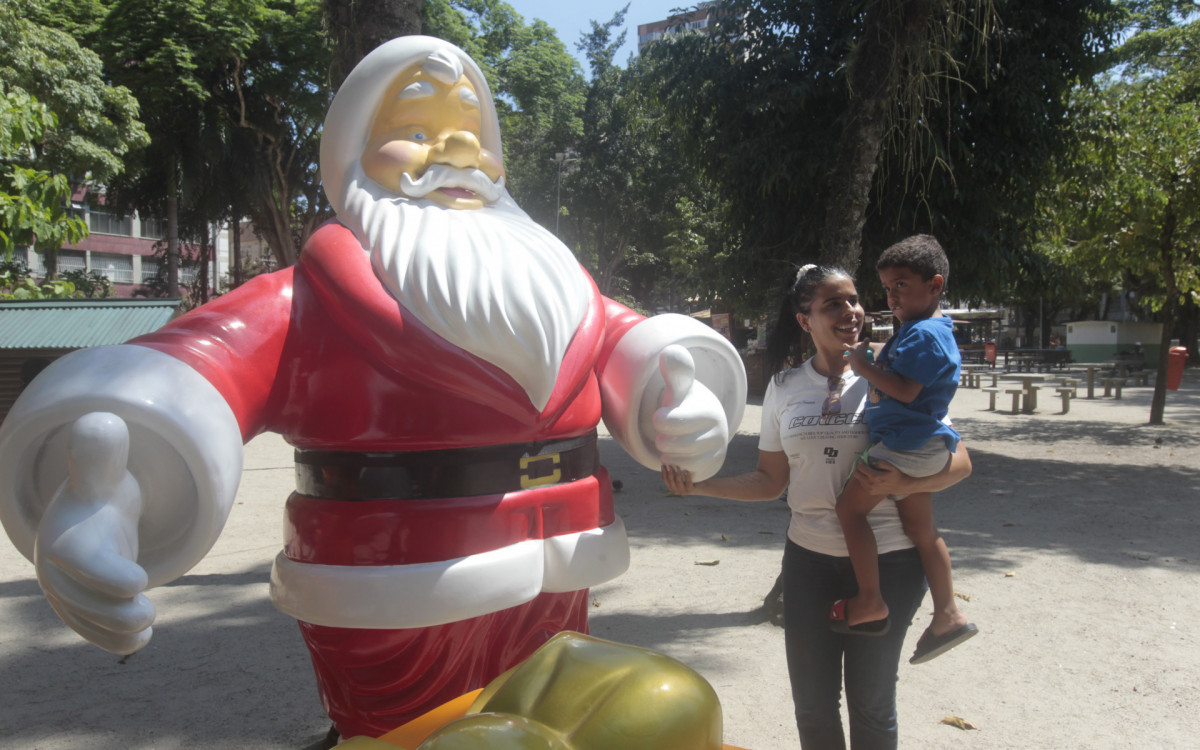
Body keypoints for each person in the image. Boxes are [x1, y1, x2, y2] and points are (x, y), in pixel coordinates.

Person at [0, 36, 747, 740]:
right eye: (416, 129)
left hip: (562, 575)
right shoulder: (313, 298)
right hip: (395, 596)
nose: (459, 150)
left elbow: (634, 348)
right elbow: (192, 366)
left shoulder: (557, 283)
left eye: (472, 130)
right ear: (354, 154)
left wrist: (681, 397)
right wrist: (111, 494)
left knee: (650, 716)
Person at [662, 264, 972, 749]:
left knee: (871, 704)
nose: (851, 311)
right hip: (807, 563)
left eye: (853, 300)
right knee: (812, 706)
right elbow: (770, 482)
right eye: (834, 303)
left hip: (890, 563)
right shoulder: (785, 388)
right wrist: (699, 486)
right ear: (805, 320)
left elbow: (960, 465)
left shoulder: (892, 374)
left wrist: (906, 477)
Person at [832, 235, 976, 665]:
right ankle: (948, 613)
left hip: (904, 446)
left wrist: (862, 367)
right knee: (922, 530)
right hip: (924, 445)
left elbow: (907, 391)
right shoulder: (924, 331)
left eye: (902, 285)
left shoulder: (925, 334)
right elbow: (903, 366)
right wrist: (873, 353)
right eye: (888, 288)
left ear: (934, 284)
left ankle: (871, 599)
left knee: (849, 510)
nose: (892, 296)